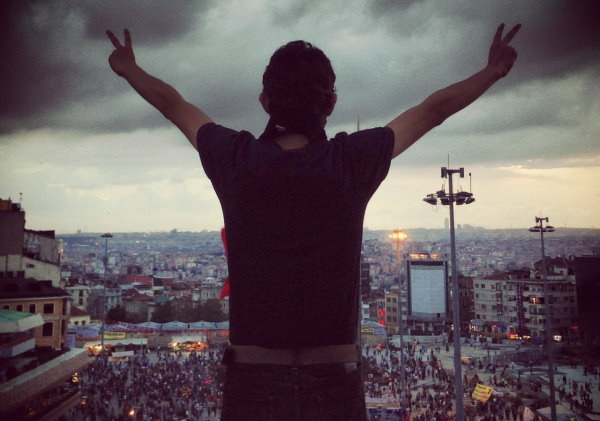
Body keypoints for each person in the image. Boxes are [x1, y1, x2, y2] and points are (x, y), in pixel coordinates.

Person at [106, 23, 520, 421]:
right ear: (331, 103)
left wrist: (129, 68)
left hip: (252, 379)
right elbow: (432, 111)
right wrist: (492, 72)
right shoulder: (351, 160)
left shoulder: (235, 158)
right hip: (334, 379)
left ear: (265, 101)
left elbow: (174, 105)